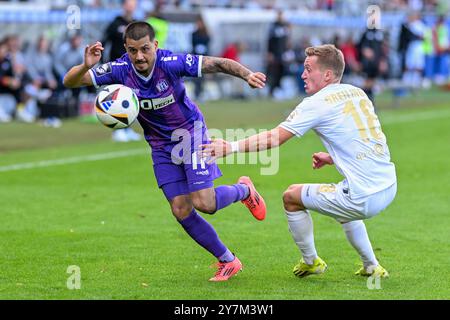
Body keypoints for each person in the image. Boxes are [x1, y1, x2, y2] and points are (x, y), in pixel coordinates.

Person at [63, 21, 267, 282]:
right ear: (125, 49)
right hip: (159, 144)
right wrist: (86, 66)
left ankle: (245, 190)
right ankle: (228, 260)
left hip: (190, 134)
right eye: (133, 50)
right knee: (181, 209)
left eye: (145, 49)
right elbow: (70, 82)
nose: (139, 56)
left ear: (155, 46)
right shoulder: (119, 69)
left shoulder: (171, 62)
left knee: (205, 203)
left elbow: (216, 63)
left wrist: (246, 74)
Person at [201, 44, 397, 279]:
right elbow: (364, 138)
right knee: (343, 200)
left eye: (308, 69)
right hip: (389, 185)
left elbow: (274, 138)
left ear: (327, 75)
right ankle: (371, 266)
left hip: (363, 196)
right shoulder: (357, 92)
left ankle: (311, 261)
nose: (302, 74)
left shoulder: (317, 103)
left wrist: (230, 147)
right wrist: (333, 157)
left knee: (291, 196)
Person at [103, 0, 140, 142]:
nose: (131, 6)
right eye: (129, 3)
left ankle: (128, 129)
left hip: (134, 68)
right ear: (124, 6)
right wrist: (102, 62)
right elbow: (105, 41)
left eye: (133, 3)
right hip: (118, 67)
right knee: (117, 99)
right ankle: (117, 130)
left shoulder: (136, 25)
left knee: (129, 100)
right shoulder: (116, 23)